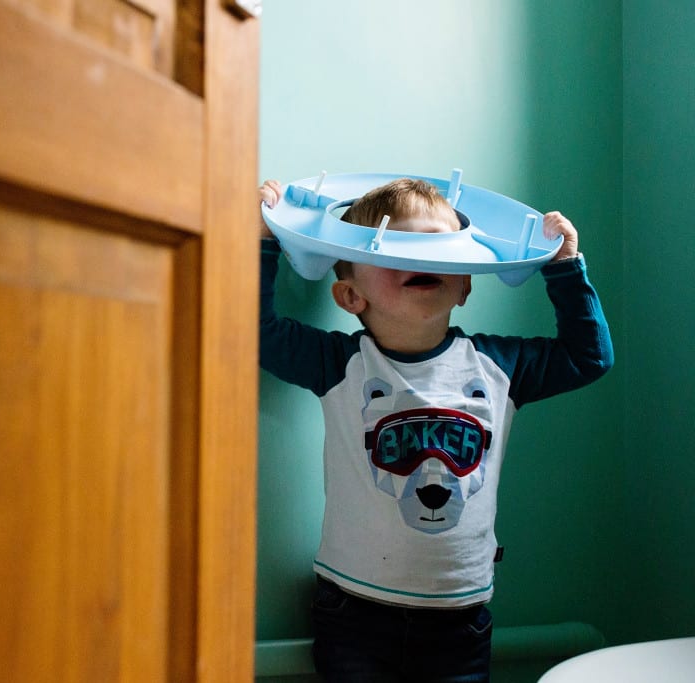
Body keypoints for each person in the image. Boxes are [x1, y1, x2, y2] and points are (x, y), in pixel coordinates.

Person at [258, 177, 613, 682]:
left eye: (438, 245)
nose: (422, 256)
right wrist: (264, 240)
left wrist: (563, 268)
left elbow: (589, 357)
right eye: (399, 245)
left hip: (459, 619)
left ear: (465, 282)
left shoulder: (498, 367)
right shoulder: (340, 365)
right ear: (350, 295)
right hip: (355, 609)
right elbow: (259, 331)